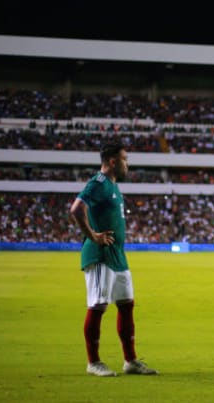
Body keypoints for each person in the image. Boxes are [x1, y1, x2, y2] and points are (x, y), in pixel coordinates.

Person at [69, 143, 158, 377]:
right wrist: (93, 236)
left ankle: (130, 361)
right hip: (101, 254)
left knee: (127, 305)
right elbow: (76, 209)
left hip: (118, 255)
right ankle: (93, 362)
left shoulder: (113, 187)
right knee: (98, 306)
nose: (127, 163)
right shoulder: (98, 183)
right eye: (124, 159)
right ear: (112, 161)